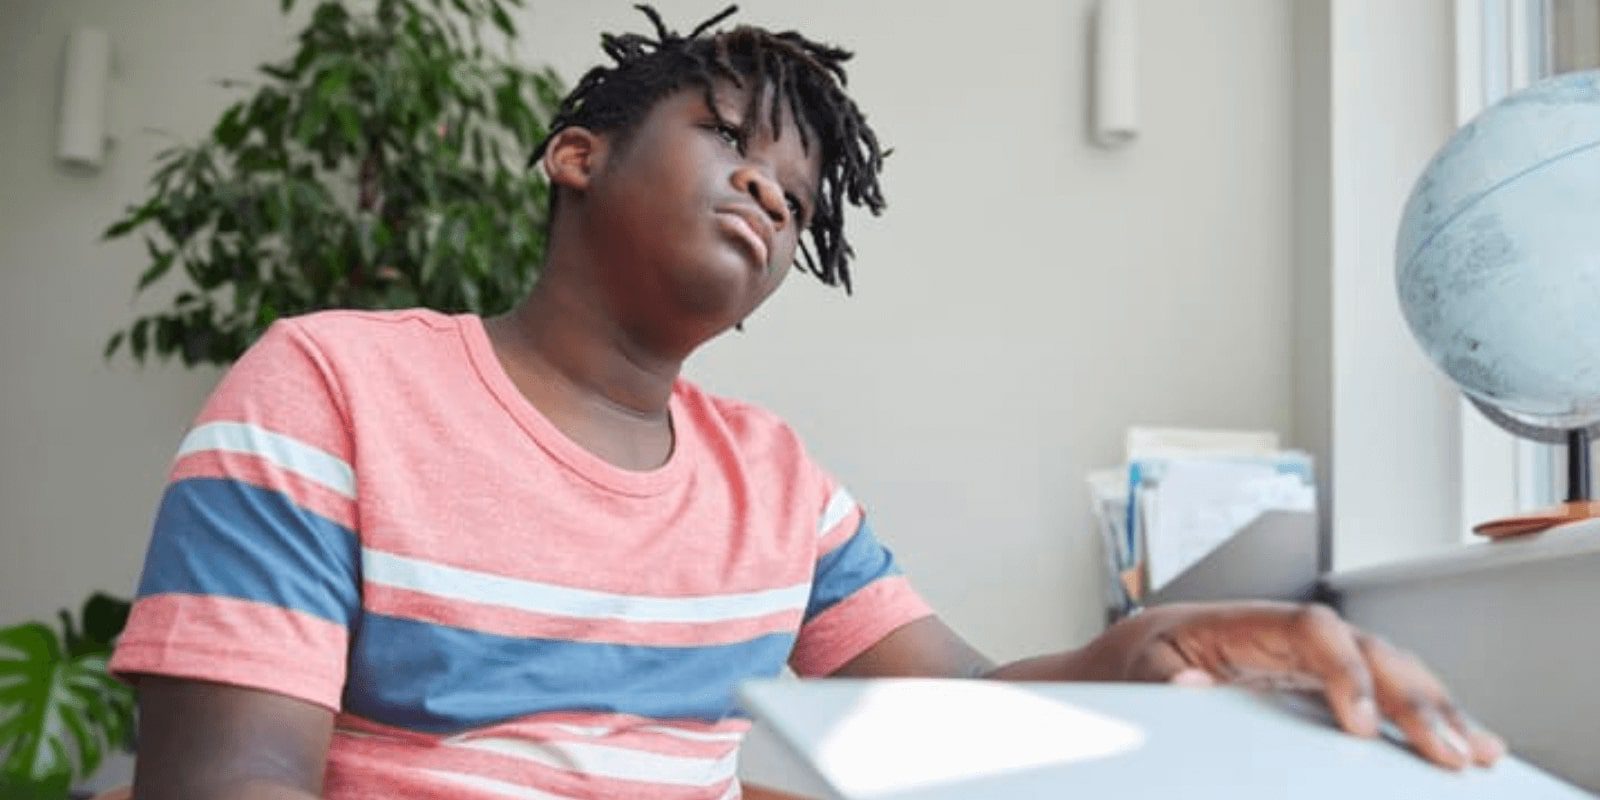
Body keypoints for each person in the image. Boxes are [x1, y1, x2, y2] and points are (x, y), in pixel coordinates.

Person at [109, 6, 1505, 799]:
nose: (775, 188)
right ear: (575, 153)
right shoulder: (332, 384)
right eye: (728, 135)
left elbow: (964, 712)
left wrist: (1161, 650)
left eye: (802, 194)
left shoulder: (776, 482)